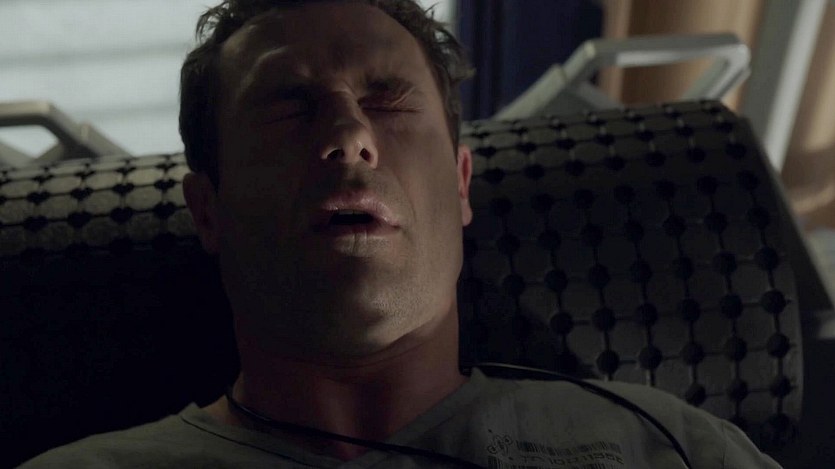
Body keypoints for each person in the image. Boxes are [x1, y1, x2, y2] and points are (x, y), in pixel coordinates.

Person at [20, 0, 781, 467]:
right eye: (289, 106)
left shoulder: (676, 448)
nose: (349, 136)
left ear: (460, 185)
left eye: (387, 99)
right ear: (208, 210)